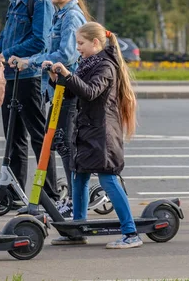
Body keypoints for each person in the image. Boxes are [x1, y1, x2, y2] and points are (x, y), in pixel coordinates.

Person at [45, 22, 142, 249]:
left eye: (81, 43)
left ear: (95, 43)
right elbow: (71, 93)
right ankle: (78, 231)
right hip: (88, 132)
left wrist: (68, 74)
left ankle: (131, 233)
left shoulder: (106, 66)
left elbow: (89, 93)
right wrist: (56, 76)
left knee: (108, 178)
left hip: (103, 135)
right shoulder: (87, 64)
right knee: (79, 178)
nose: (77, 48)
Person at [8, 0, 90, 217]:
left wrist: (31, 61)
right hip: (59, 90)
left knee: (66, 147)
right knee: (59, 143)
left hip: (70, 91)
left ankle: (77, 204)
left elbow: (67, 54)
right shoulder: (59, 15)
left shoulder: (71, 17)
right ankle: (72, 199)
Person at [0, 0, 59, 201]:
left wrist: (7, 53)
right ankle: (14, 192)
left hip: (29, 76)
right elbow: (6, 34)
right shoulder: (15, 1)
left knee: (38, 137)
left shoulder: (39, 0)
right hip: (9, 77)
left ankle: (50, 192)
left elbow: (39, 40)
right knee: (14, 139)